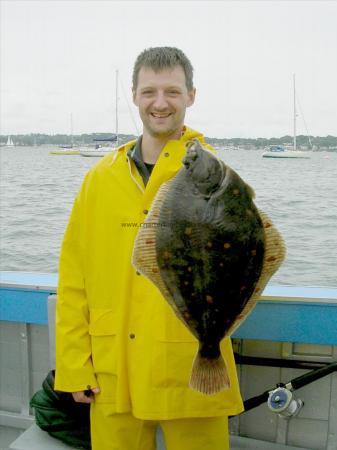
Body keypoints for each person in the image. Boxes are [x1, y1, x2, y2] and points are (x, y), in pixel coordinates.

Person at [55, 47, 244, 450]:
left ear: (191, 95)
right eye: (150, 92)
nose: (160, 103)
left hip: (191, 368)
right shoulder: (98, 179)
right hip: (113, 370)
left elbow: (245, 258)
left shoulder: (216, 179)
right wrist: (73, 365)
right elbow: (75, 279)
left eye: (173, 92)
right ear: (134, 95)